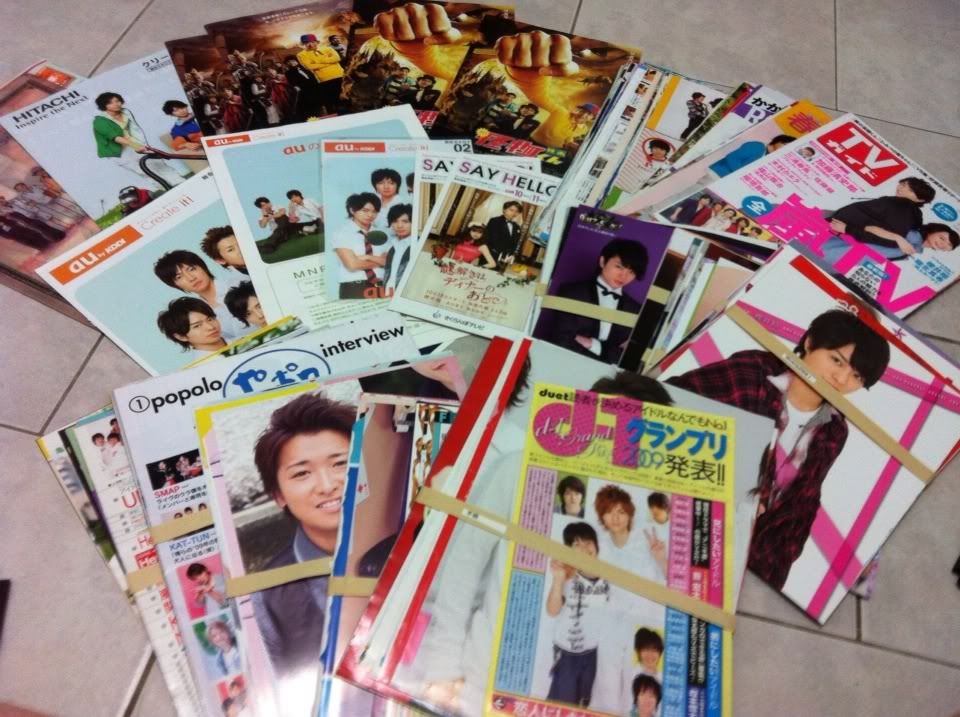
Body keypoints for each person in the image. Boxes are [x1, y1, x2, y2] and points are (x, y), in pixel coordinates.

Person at [416, 366, 674, 713]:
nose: (615, 437)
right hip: (481, 686)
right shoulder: (519, 468)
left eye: (634, 431)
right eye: (608, 421)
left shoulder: (646, 520)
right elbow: (465, 566)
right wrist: (442, 666)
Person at [666, 309, 891, 589]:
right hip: (686, 525)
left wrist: (778, 563)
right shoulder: (753, 374)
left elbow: (803, 503)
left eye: (856, 376)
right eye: (836, 360)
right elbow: (665, 403)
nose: (841, 379)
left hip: (751, 564)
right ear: (809, 342)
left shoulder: (835, 429)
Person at [249, 392, 356, 679]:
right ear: (278, 496)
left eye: (341, 463)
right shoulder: (264, 601)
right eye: (301, 473)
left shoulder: (419, 547)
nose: (327, 485)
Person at [545, 238, 648, 363]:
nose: (623, 276)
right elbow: (560, 340)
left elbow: (629, 358)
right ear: (602, 261)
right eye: (619, 267)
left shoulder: (636, 309)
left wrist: (593, 344)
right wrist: (608, 353)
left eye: (631, 272)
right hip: (563, 363)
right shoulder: (572, 292)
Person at [545, 522, 610, 708]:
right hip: (567, 652)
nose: (584, 548)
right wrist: (558, 579)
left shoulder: (607, 576)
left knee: (583, 702)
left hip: (592, 651)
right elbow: (552, 610)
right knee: (562, 702)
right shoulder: (567, 574)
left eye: (588, 542)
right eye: (576, 544)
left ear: (596, 546)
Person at [92, 92, 188, 189]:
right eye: (110, 103)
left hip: (135, 142)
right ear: (104, 105)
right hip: (120, 151)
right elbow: (115, 137)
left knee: (158, 163)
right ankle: (167, 188)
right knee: (145, 171)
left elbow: (134, 129)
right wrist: (135, 146)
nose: (116, 104)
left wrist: (142, 144)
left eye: (117, 101)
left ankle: (180, 182)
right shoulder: (99, 121)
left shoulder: (125, 112)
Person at [153, 249, 246, 338]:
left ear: (203, 267)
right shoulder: (198, 313)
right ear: (175, 285)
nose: (191, 278)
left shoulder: (241, 284)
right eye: (179, 277)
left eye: (191, 269)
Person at [829, 176, 936, 249]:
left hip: (840, 237)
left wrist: (847, 229)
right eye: (903, 184)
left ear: (920, 199)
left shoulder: (905, 208)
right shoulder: (901, 204)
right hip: (837, 232)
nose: (902, 189)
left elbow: (892, 240)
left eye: (911, 190)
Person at [594, 485, 665, 581]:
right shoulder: (599, 546)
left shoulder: (648, 540)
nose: (615, 518)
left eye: (621, 512)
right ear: (602, 516)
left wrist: (662, 560)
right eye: (609, 512)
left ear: (629, 515)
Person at [820, 222, 959, 265]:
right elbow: (871, 229)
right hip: (837, 250)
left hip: (848, 259)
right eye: (942, 238)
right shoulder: (911, 234)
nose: (943, 244)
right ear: (934, 231)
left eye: (948, 245)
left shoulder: (916, 248)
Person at [332, 192, 387, 298]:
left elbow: (389, 262)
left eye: (374, 211)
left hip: (382, 285)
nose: (370, 215)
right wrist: (379, 262)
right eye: (365, 211)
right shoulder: (341, 234)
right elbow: (352, 265)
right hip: (355, 287)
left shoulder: (382, 234)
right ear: (352, 210)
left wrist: (368, 257)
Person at [157, 297, 229, 356]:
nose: (210, 327)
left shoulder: (235, 336)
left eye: (210, 319)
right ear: (181, 337)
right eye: (197, 326)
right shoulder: (202, 367)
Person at [708, 134, 794, 178]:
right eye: (785, 145)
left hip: (727, 180)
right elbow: (732, 158)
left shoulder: (771, 159)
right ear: (778, 141)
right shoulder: (758, 146)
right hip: (717, 173)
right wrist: (742, 174)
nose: (785, 148)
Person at [297, 34, 344, 114]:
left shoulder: (328, 48)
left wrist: (318, 61)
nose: (310, 44)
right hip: (324, 80)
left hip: (340, 75)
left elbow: (337, 58)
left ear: (317, 42)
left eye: (312, 42)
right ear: (303, 44)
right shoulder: (301, 55)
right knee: (333, 101)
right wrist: (330, 62)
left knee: (346, 97)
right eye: (307, 43)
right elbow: (309, 66)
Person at [482, 200, 523, 272]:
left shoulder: (517, 227)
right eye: (511, 210)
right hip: (490, 255)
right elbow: (490, 239)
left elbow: (516, 243)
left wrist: (513, 255)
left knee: (498, 276)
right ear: (504, 210)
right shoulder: (494, 221)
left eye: (516, 211)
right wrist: (500, 253)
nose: (514, 213)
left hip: (505, 258)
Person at [382, 203, 414, 291]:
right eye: (395, 221)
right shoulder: (392, 248)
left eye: (405, 221)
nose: (399, 226)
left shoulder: (417, 246)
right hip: (388, 294)